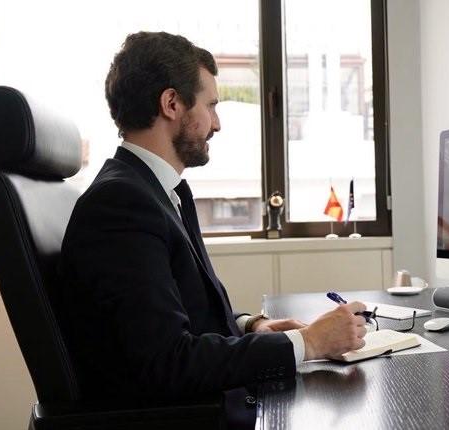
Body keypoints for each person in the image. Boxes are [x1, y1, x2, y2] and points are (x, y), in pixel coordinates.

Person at [59, 31, 367, 423]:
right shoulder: (122, 205)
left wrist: (250, 325)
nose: (217, 123)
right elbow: (167, 361)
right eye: (211, 105)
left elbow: (174, 311)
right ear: (172, 104)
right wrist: (308, 342)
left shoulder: (156, 191)